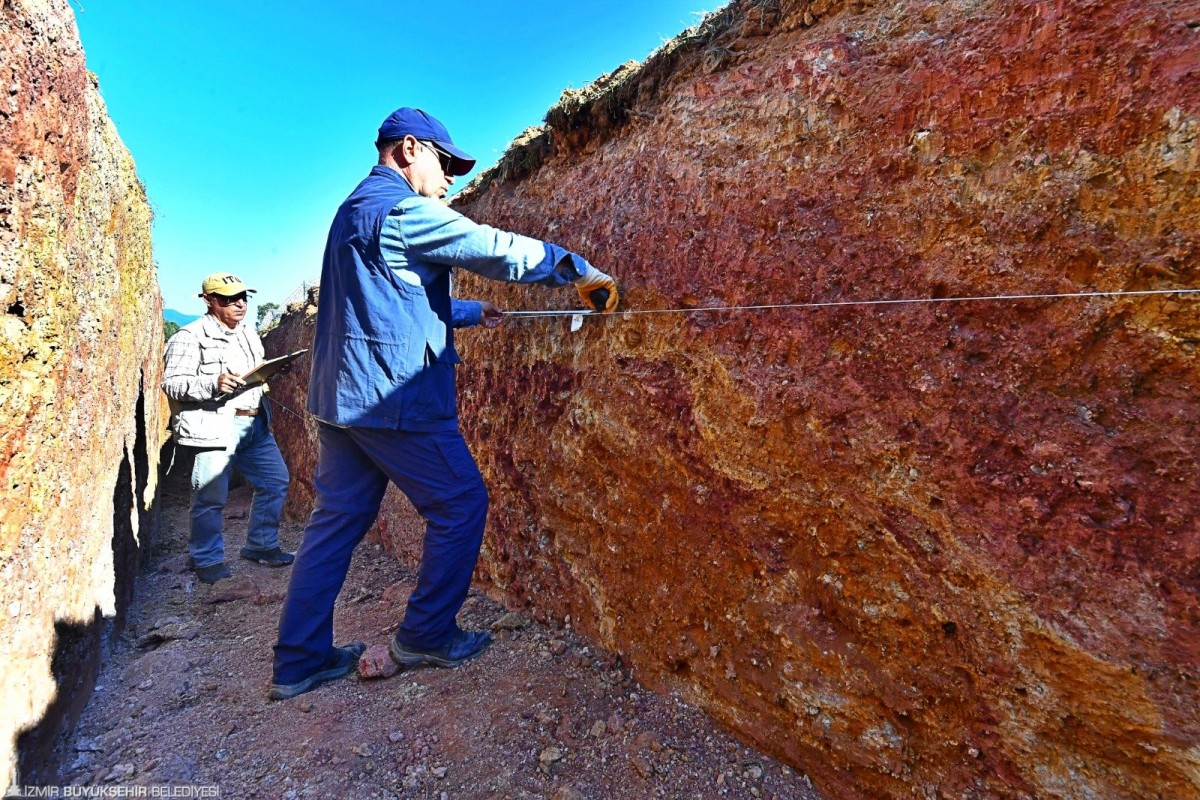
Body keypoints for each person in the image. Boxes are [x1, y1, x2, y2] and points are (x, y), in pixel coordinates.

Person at [268, 107, 618, 700]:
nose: (452, 177)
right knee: (461, 504)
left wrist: (469, 313)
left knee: (333, 526)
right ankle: (426, 634)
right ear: (409, 149)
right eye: (446, 162)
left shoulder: (351, 212)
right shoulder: (406, 211)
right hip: (390, 400)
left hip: (339, 401)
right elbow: (493, 248)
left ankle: (298, 662)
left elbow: (381, 301)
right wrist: (576, 270)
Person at [162, 272, 296, 584]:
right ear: (208, 301)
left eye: (243, 297)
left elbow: (252, 376)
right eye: (228, 298)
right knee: (209, 498)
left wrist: (274, 371)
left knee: (275, 481)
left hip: (255, 424)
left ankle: (261, 546)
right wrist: (214, 382)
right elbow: (171, 384)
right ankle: (205, 559)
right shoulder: (189, 337)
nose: (239, 304)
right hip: (214, 427)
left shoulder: (248, 333)